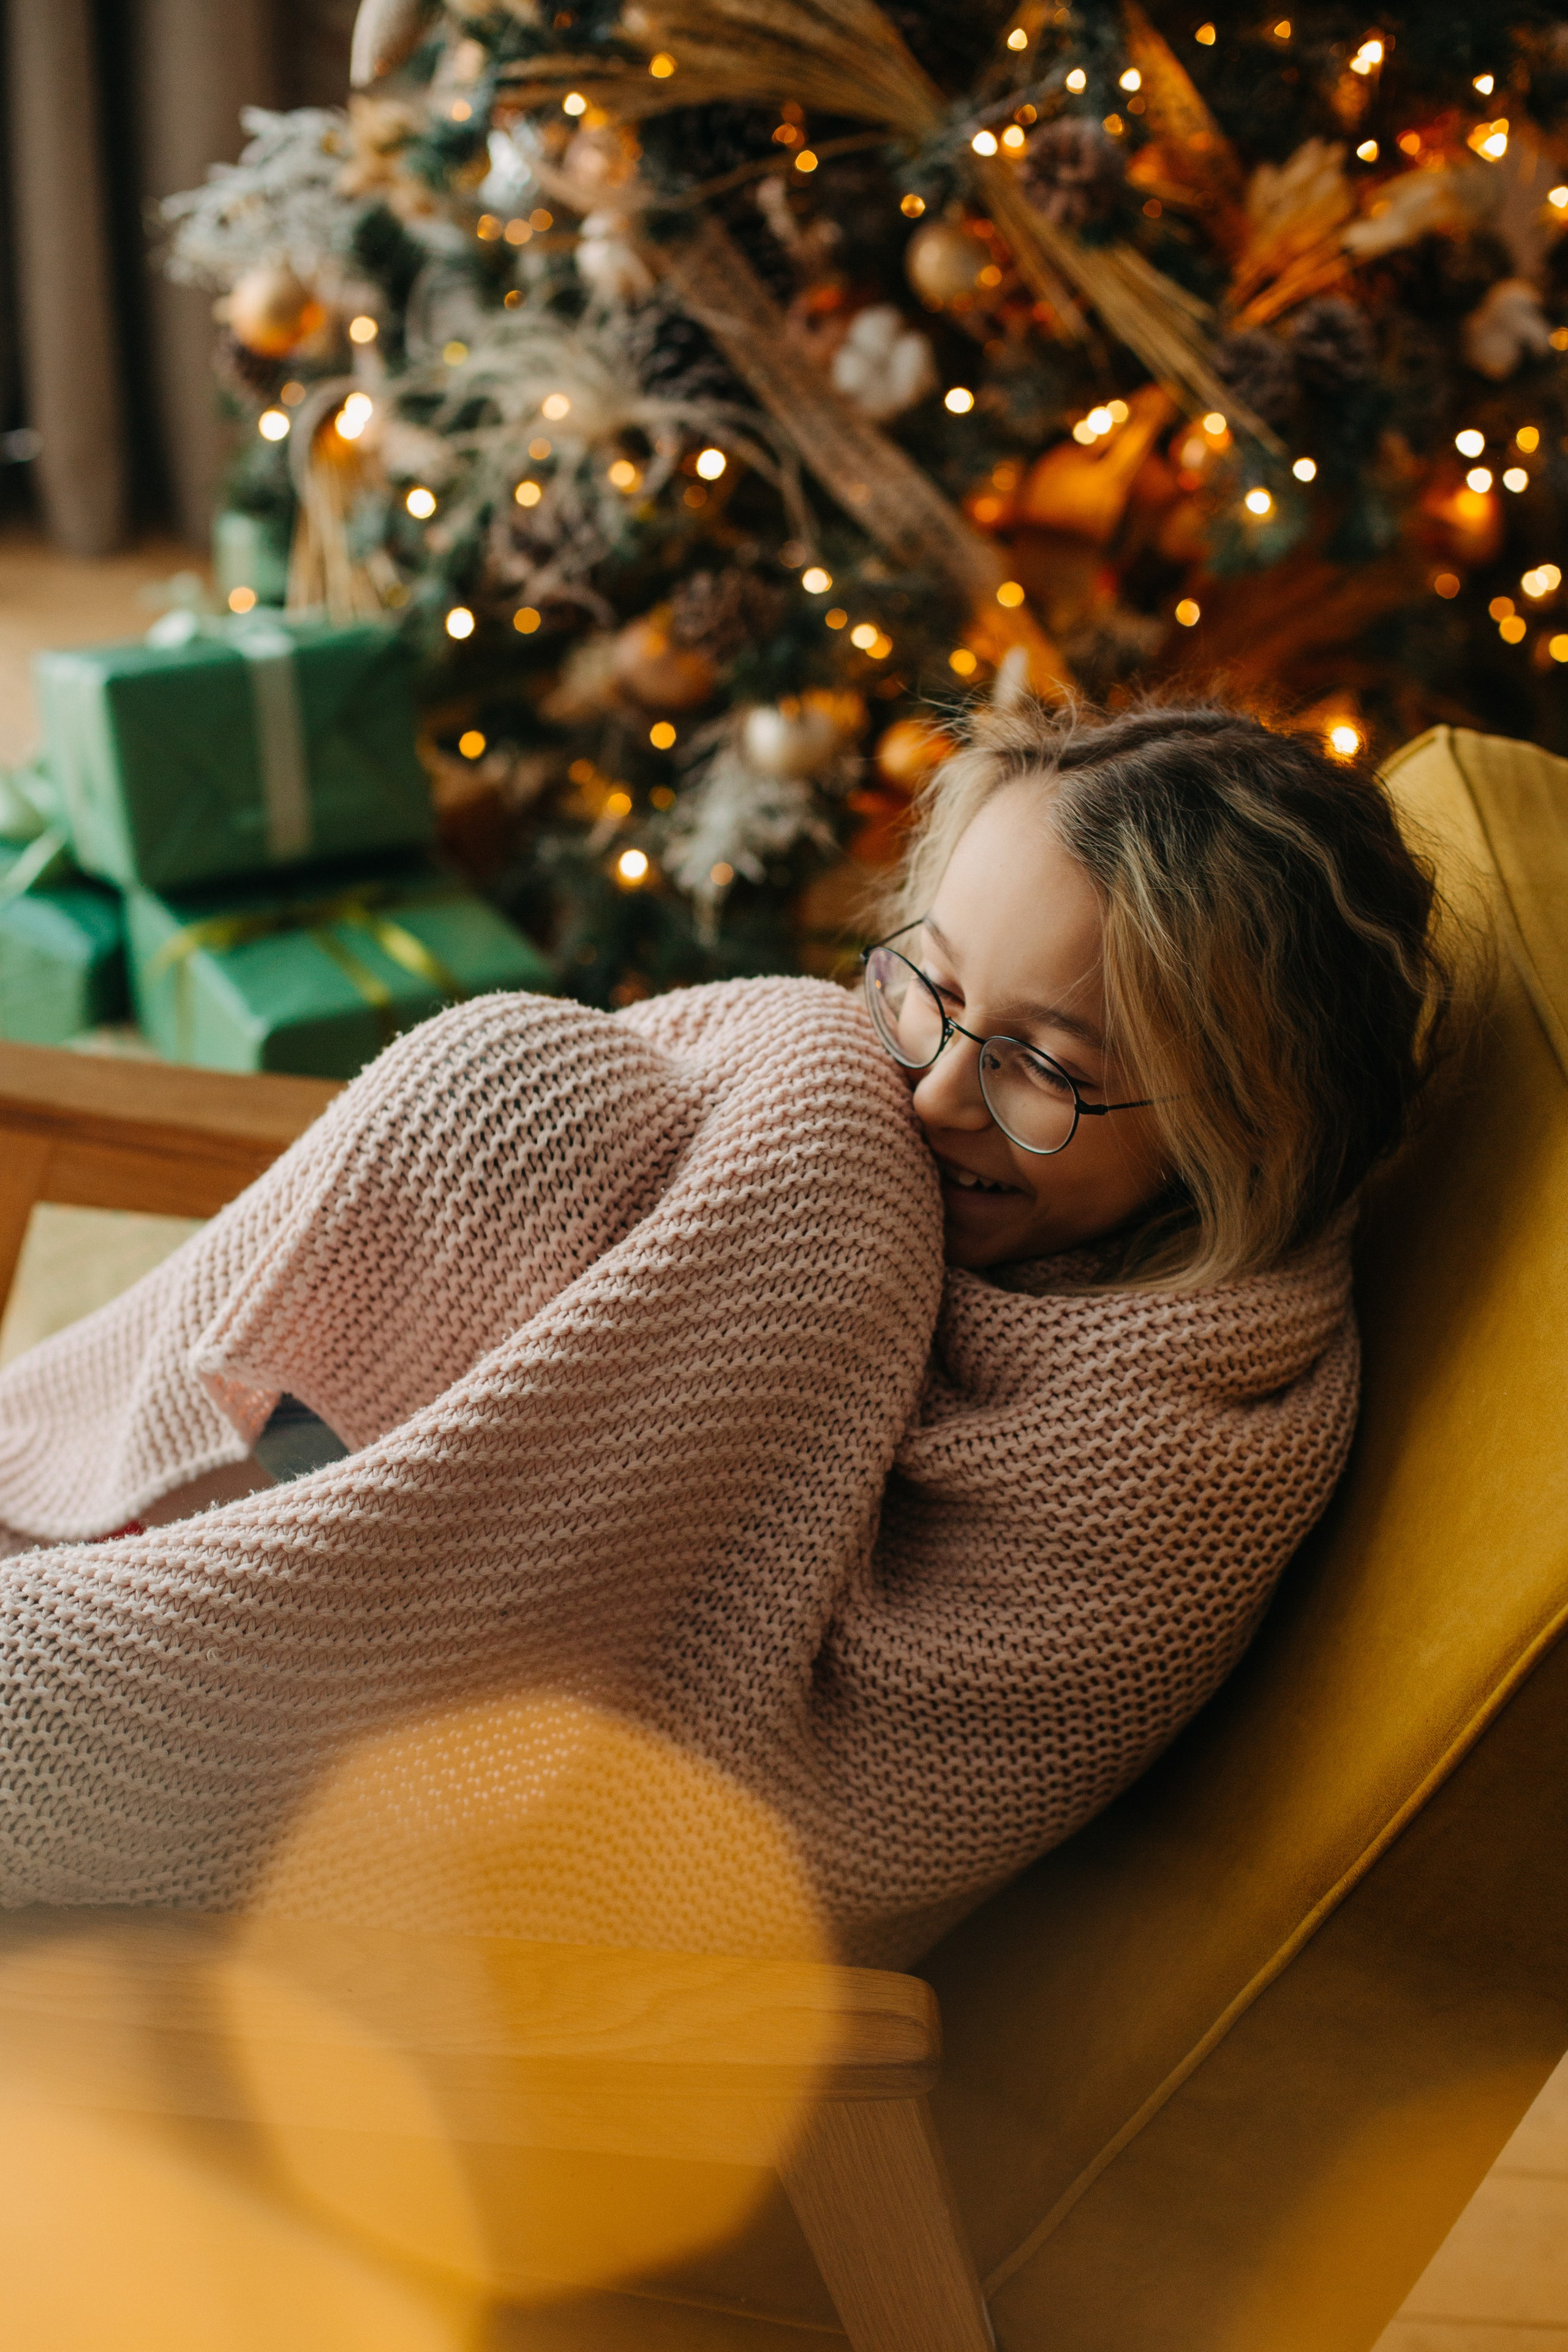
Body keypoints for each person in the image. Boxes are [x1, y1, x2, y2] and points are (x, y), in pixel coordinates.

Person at [0, 695, 1454, 1966]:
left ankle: (129, 1633)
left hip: (511, 1870)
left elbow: (797, 1794)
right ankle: (158, 1538)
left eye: (1041, 1069)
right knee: (580, 1083)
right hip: (339, 1566)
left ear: (1238, 1131)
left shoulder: (1174, 1442)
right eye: (934, 989)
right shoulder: (898, 1131)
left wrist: (824, 1167)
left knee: (812, 1144)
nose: (937, 1094)